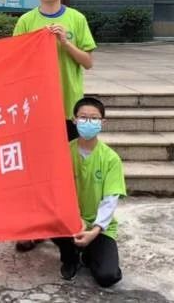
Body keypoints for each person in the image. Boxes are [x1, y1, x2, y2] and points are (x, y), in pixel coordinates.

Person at [13, 0, 96, 252]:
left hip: (69, 108)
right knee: (36, 171)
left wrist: (64, 43)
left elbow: (87, 62)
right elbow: (15, 61)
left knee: (69, 169)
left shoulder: (76, 19)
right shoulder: (26, 21)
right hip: (36, 109)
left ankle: (70, 223)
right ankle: (35, 227)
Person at [52, 96, 124, 287]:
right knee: (50, 218)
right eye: (83, 117)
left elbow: (110, 200)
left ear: (102, 122)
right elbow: (57, 192)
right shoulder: (63, 153)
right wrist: (75, 218)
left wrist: (95, 230)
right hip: (69, 220)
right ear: (74, 120)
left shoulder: (111, 159)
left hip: (99, 226)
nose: (88, 122)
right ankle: (70, 258)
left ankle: (89, 253)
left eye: (94, 118)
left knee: (108, 276)